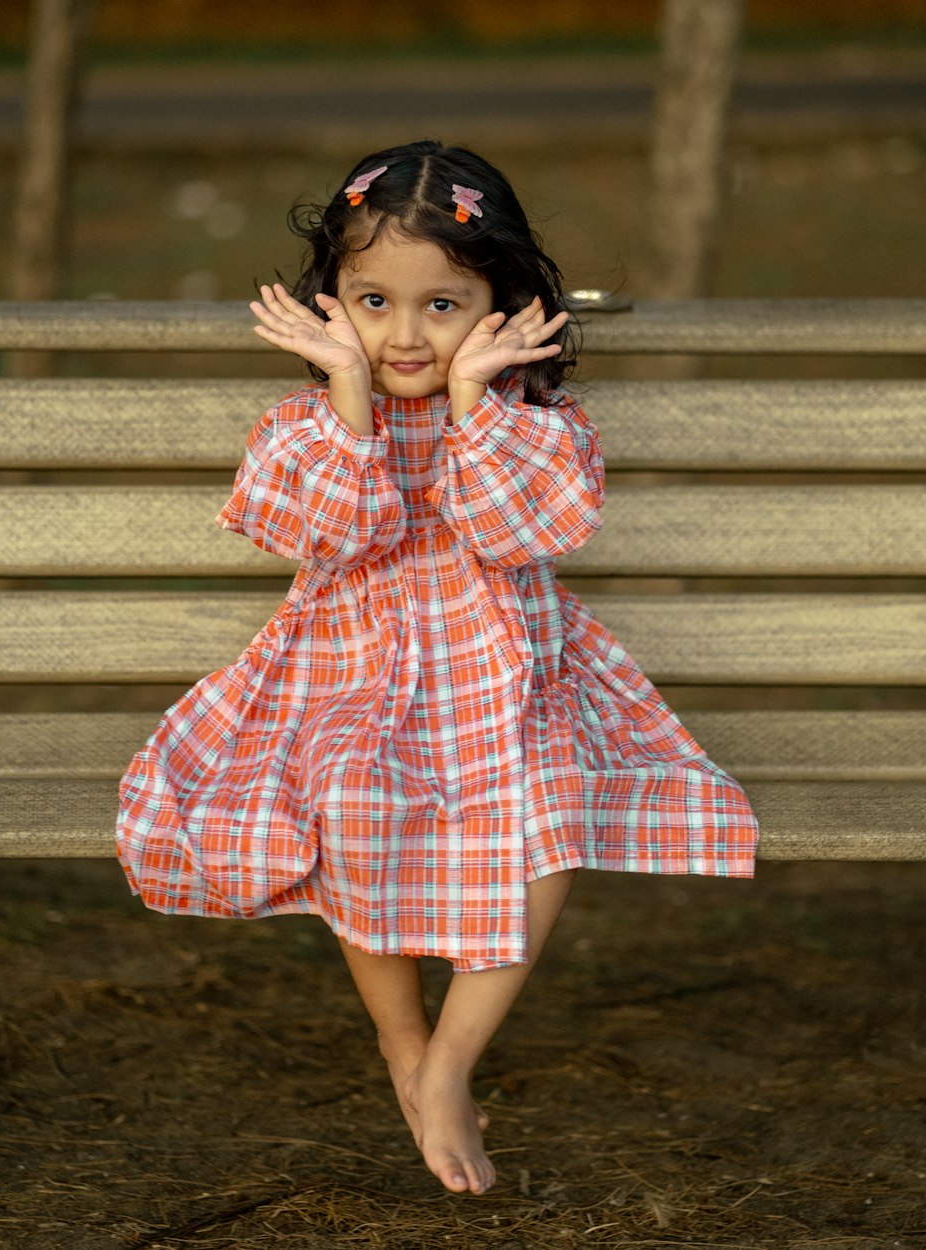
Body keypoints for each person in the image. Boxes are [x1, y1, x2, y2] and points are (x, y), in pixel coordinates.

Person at [116, 139, 759, 1197]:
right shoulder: (304, 429)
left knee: (548, 798)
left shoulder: (537, 428)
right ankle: (403, 1042)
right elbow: (337, 534)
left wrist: (471, 401)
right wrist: (349, 396)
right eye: (371, 300)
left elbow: (512, 531)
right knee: (349, 792)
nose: (403, 333)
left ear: (497, 306)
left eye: (442, 306)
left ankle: (453, 1059)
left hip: (506, 673)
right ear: (331, 302)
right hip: (346, 669)